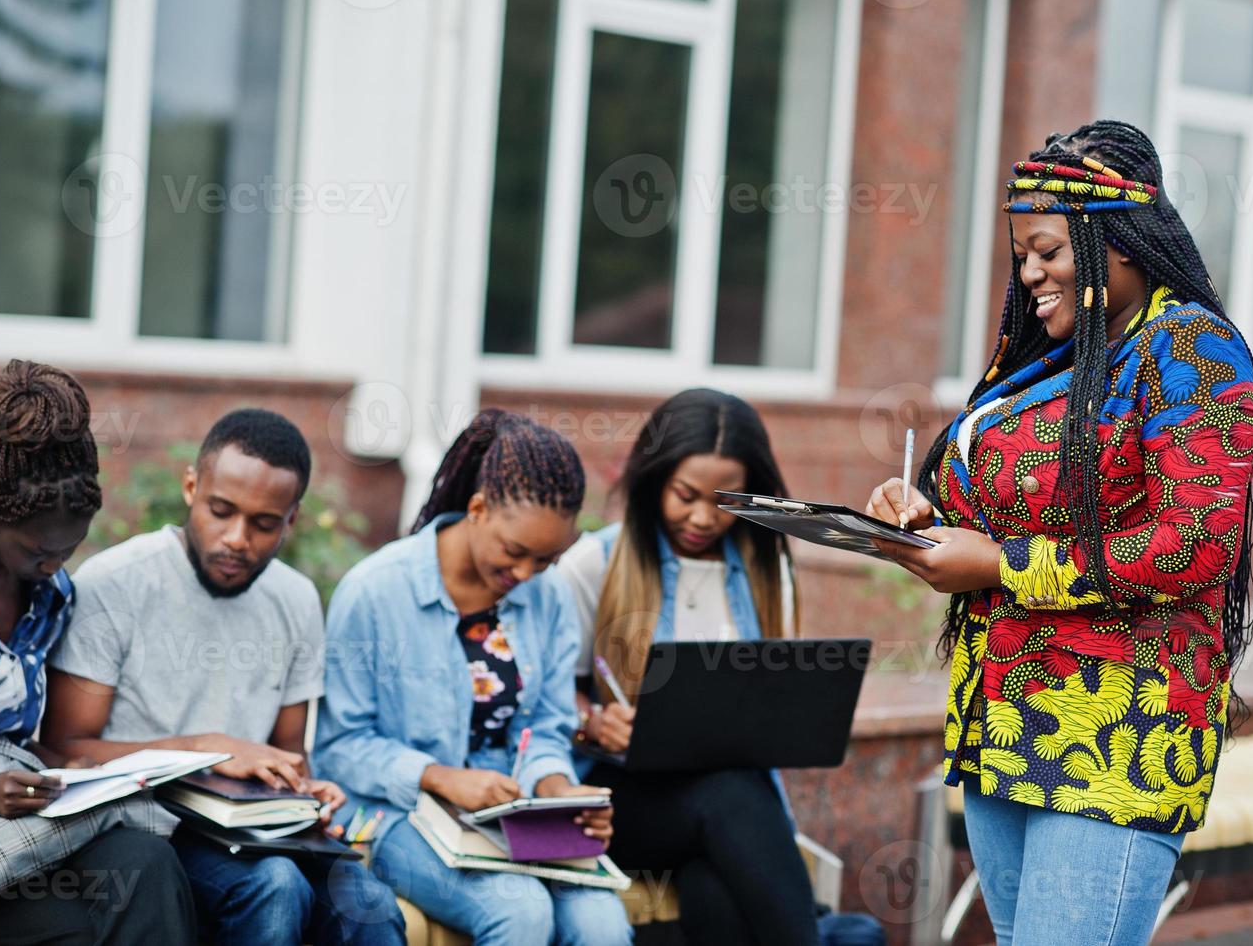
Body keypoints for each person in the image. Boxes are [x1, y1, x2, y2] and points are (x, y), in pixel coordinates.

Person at [863, 121, 1253, 946]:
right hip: (1003, 720)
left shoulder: (1191, 346)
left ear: (1114, 239)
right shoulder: (1052, 362)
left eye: (1046, 249)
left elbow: (1194, 544)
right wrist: (929, 525)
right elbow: (1030, 516)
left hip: (1117, 736)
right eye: (1021, 255)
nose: (1028, 273)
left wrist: (999, 563)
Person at [41, 408, 404, 946]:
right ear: (191, 486)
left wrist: (304, 792)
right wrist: (205, 748)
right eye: (221, 511)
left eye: (263, 524)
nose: (237, 538)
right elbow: (62, 752)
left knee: (370, 903)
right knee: (276, 888)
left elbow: (288, 750)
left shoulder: (296, 599)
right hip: (151, 825)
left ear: (291, 521)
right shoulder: (116, 583)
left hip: (254, 825)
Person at [314, 409, 631, 946]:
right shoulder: (374, 592)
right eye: (515, 553)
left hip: (514, 814)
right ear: (479, 509)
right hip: (398, 813)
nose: (527, 575)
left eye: (547, 559)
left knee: (601, 925)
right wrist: (439, 776)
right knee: (521, 913)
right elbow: (340, 747)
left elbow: (547, 728)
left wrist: (558, 789)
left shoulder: (546, 597)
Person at [557, 388, 819, 946]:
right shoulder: (593, 564)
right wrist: (591, 721)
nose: (703, 518)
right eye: (685, 495)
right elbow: (548, 689)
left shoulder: (767, 574)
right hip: (618, 800)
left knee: (713, 890)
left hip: (721, 808)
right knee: (729, 795)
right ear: (655, 480)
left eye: (724, 500)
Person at [0, 359, 196, 945]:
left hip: (14, 816)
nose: (54, 565)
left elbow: (15, 734)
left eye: (70, 549)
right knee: (90, 928)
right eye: (39, 550)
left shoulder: (51, 595)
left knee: (147, 866)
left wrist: (85, 776)